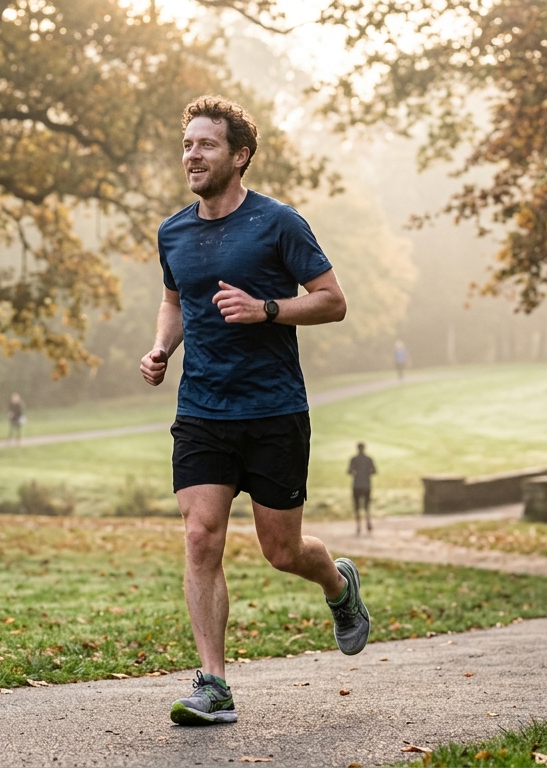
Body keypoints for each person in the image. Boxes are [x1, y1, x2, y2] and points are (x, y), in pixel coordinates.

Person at [140, 95, 369, 727]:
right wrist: (162, 347)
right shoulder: (173, 231)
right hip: (203, 409)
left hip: (272, 410)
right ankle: (213, 685)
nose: (192, 154)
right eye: (187, 143)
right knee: (199, 535)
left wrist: (266, 307)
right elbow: (176, 300)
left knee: (282, 550)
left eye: (206, 144)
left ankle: (337, 584)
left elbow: (332, 301)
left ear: (240, 156)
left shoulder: (279, 224)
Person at [348, 442, 377, 535]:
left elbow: (349, 471)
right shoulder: (368, 459)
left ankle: (359, 526)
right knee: (366, 506)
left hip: (357, 485)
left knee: (357, 507)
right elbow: (374, 471)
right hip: (366, 485)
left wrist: (355, 472)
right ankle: (367, 523)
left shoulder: (354, 459)